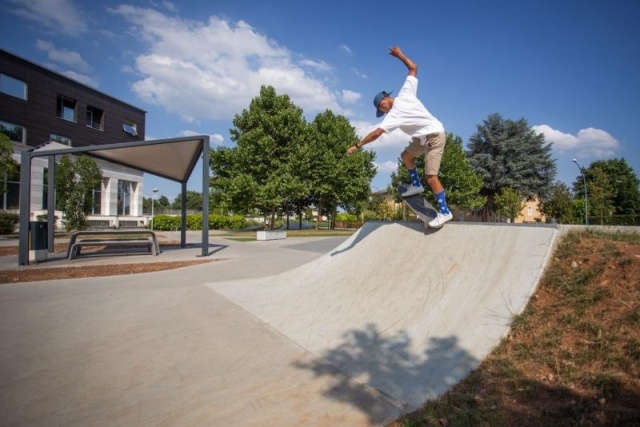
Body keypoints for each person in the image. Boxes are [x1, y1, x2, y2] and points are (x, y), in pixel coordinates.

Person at [346, 46, 452, 228]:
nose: (383, 112)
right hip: (421, 139)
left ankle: (445, 212)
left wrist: (358, 145)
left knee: (431, 176)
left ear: (383, 101)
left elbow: (377, 133)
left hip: (435, 137)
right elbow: (413, 68)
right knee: (406, 156)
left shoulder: (394, 115)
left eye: (381, 109)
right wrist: (400, 56)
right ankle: (416, 185)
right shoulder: (406, 92)